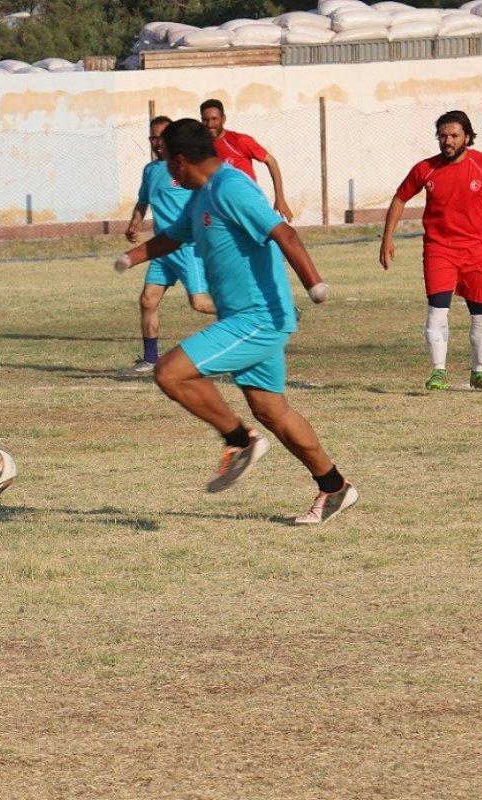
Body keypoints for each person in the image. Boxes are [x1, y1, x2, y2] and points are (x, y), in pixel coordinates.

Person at [114, 119, 358, 525]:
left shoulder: (231, 187)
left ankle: (238, 440)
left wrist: (313, 283)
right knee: (272, 411)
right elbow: (174, 235)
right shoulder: (203, 194)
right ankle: (334, 487)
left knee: (170, 373)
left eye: (164, 159)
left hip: (259, 317)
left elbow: (285, 234)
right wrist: (131, 258)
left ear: (177, 161)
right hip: (243, 317)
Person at [380, 109, 482, 392]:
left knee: (481, 314)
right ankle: (438, 371)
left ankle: (479, 371)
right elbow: (399, 198)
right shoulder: (425, 169)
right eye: (442, 136)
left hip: (478, 250)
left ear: (467, 137)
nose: (447, 141)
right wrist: (387, 239)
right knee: (437, 310)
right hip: (439, 249)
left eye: (454, 135)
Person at [125, 115, 216, 373]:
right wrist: (134, 222)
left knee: (199, 303)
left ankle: (257, 313)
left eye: (161, 137)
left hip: (186, 248)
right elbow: (143, 201)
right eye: (152, 137)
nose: (156, 142)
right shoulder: (150, 171)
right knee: (148, 300)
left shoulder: (186, 169)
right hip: (161, 250)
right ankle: (150, 359)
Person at [199, 99, 293, 222]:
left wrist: (280, 198)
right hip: (221, 208)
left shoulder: (239, 140)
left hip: (248, 203)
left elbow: (271, 162)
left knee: (269, 237)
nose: (210, 124)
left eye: (214, 119)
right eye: (205, 120)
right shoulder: (202, 146)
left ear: (223, 119)